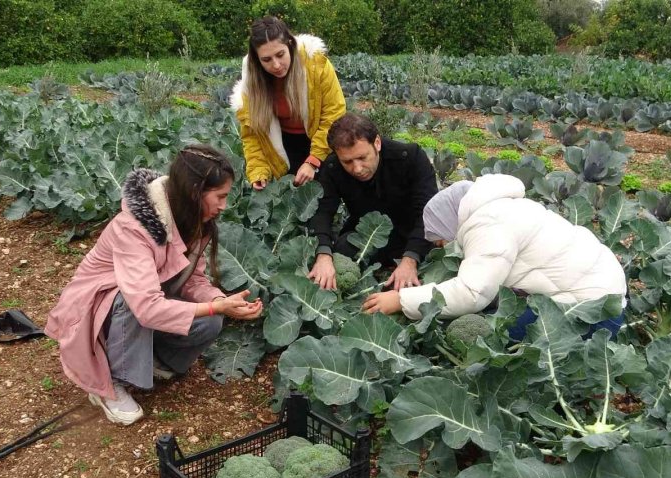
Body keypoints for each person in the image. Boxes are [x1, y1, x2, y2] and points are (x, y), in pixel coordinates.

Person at [45, 145, 263, 425]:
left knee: (211, 321)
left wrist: (222, 301)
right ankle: (110, 383)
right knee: (132, 300)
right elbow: (145, 306)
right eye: (220, 197)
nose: (223, 206)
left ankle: (157, 362)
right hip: (96, 310)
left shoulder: (194, 222)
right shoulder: (134, 228)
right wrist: (211, 306)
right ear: (195, 192)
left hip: (149, 301)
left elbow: (193, 280)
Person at [362, 174, 628, 339]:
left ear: (450, 224)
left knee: (498, 338)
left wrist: (400, 299)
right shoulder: (502, 208)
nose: (446, 247)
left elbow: (470, 293)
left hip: (593, 313)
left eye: (442, 240)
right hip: (601, 294)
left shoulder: (486, 225)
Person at [307, 113, 438, 291]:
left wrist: (410, 260)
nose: (357, 169)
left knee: (435, 269)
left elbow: (427, 214)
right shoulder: (332, 168)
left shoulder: (410, 158)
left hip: (412, 236)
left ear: (377, 143)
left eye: (362, 158)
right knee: (342, 249)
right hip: (367, 238)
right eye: (348, 162)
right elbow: (322, 211)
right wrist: (323, 254)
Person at [230, 16, 346, 191]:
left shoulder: (316, 64)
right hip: (282, 148)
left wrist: (314, 160)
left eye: (280, 55)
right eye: (266, 60)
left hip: (322, 140)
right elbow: (252, 134)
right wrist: (258, 171)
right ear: (257, 60)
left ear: (290, 45)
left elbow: (333, 115)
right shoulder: (252, 83)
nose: (276, 65)